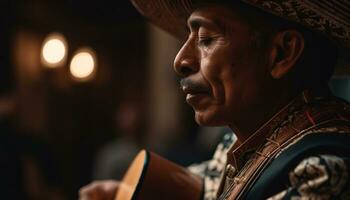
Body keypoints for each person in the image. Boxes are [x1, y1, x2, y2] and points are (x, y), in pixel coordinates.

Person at [79, 0, 350, 199]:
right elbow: (204, 186)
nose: (180, 61)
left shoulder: (322, 172)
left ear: (282, 53)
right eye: (189, 38)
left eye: (206, 39)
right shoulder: (241, 144)